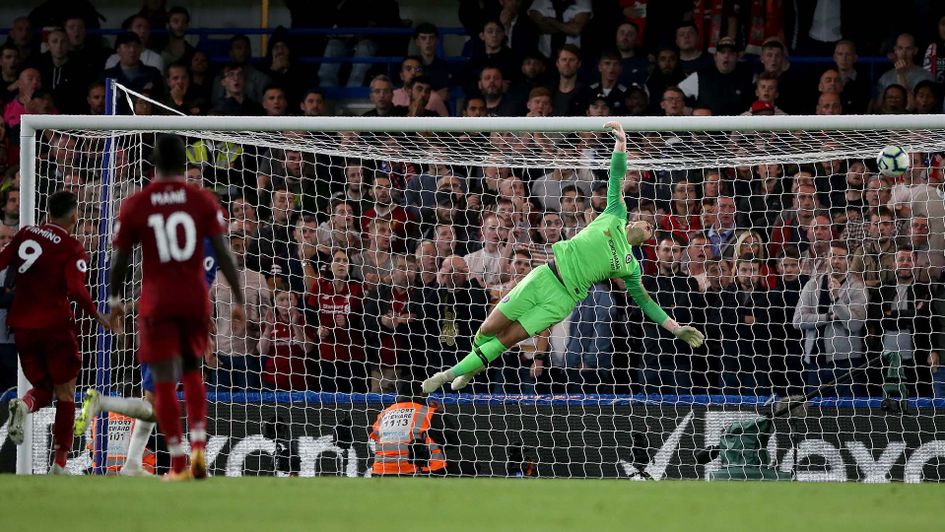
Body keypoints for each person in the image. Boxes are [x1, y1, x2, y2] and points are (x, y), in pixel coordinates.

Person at [422, 122, 705, 393]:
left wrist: (676, 328)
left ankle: (447, 375)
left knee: (507, 340)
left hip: (562, 299)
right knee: (487, 330)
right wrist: (622, 143)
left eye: (649, 227)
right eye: (640, 220)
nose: (642, 224)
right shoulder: (614, 214)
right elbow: (617, 176)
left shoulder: (630, 265)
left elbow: (645, 302)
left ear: (648, 239)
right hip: (544, 275)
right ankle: (470, 369)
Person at [106, 134, 246, 480]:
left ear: (152, 164)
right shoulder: (202, 200)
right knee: (192, 373)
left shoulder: (137, 203)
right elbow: (224, 253)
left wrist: (114, 300)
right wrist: (239, 299)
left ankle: (180, 462)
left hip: (157, 302)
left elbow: (120, 260)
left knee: (163, 384)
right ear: (185, 165)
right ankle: (199, 448)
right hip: (193, 298)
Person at [1, 191, 110, 474]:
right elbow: (76, 289)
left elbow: (2, 261)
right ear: (74, 216)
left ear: (48, 211)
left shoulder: (26, 233)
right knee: (66, 392)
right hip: (55, 327)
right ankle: (59, 463)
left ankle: (23, 406)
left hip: (22, 327)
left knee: (43, 390)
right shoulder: (72, 247)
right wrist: (98, 314)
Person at [793, 241, 868, 397]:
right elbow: (798, 320)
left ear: (849, 261)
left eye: (841, 258)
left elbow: (855, 324)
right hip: (815, 363)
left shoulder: (857, 287)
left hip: (845, 364)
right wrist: (827, 317)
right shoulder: (812, 285)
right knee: (815, 414)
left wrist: (837, 299)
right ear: (826, 258)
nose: (836, 262)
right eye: (833, 256)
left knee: (847, 414)